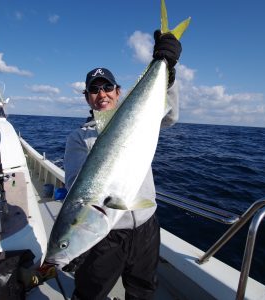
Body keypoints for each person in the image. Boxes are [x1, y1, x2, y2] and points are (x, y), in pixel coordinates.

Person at [63, 30, 182, 300]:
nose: (101, 94)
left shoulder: (138, 119)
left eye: (107, 87)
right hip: (105, 233)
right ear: (87, 98)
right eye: (94, 90)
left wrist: (167, 72)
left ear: (118, 92)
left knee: (143, 291)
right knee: (90, 293)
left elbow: (170, 117)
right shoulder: (78, 138)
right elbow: (75, 187)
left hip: (146, 226)